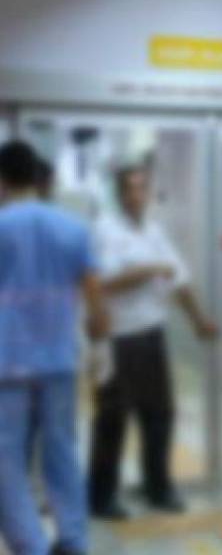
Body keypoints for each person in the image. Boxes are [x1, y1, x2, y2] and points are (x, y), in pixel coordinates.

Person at [87, 164, 218, 519]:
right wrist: (149, 270)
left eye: (142, 188)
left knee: (159, 415)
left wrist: (198, 320)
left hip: (151, 335)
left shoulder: (154, 232)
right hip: (117, 338)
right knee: (113, 419)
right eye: (130, 188)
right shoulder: (104, 230)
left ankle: (157, 488)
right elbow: (103, 283)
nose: (137, 195)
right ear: (119, 193)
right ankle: (100, 497)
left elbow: (179, 279)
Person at [0, 140, 108, 555]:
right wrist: (101, 348)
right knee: (62, 452)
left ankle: (31, 546)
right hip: (60, 360)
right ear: (36, 176)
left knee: (7, 463)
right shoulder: (72, 228)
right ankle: (74, 541)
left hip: (8, 365)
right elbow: (95, 297)